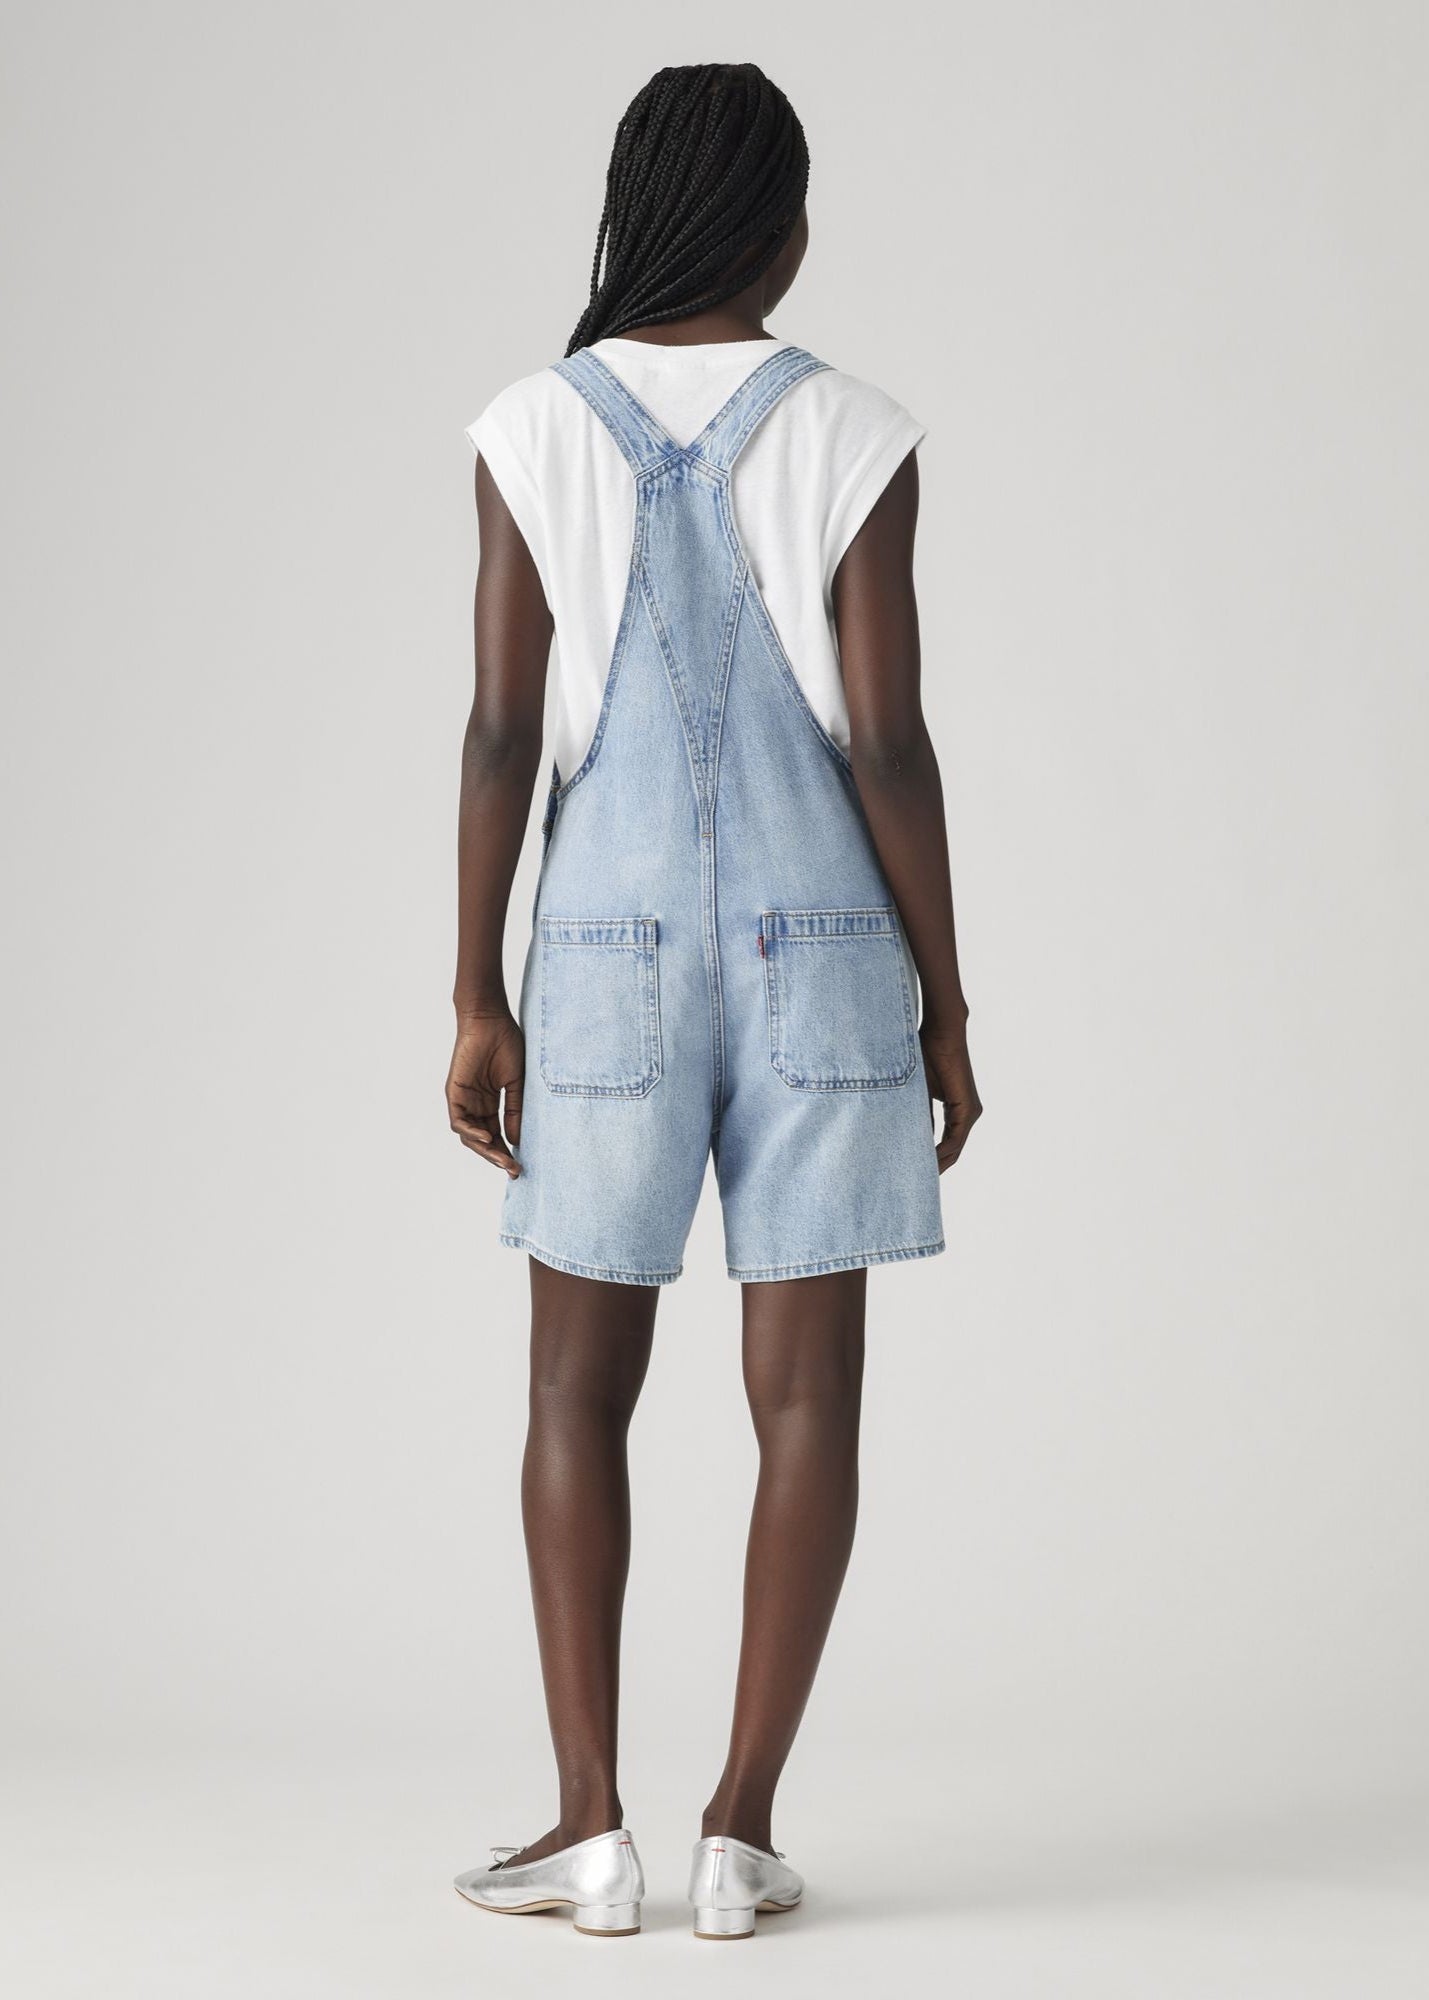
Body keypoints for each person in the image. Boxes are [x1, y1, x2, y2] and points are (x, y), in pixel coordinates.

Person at [446, 61, 981, 1942]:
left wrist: (474, 991)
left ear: (634, 212)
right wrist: (947, 1000)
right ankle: (741, 1829)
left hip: (600, 952)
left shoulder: (531, 425)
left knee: (572, 1385)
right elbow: (888, 744)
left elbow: (500, 730)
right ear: (785, 225)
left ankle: (588, 1831)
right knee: (806, 1392)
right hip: (827, 942)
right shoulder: (855, 429)